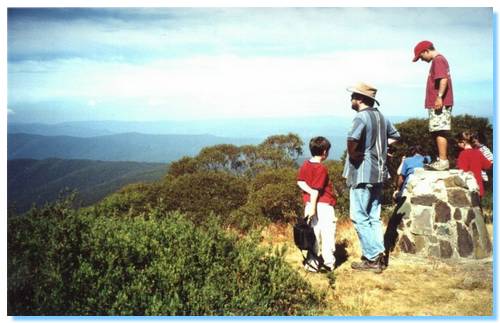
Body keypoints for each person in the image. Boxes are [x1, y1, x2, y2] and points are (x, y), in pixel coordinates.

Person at [342, 82, 400, 273]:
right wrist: (383, 148)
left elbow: (352, 141)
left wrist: (357, 156)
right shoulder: (381, 117)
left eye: (353, 97)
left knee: (358, 216)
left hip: (363, 173)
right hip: (379, 173)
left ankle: (373, 257)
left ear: (359, 99)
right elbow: (395, 136)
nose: (350, 100)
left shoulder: (360, 117)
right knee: (373, 216)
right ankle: (378, 255)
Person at [297, 136, 337, 273]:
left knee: (312, 234)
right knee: (327, 234)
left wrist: (310, 206)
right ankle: (328, 263)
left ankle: (311, 263)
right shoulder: (321, 168)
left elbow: (300, 182)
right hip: (323, 205)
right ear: (325, 152)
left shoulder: (305, 164)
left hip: (309, 204)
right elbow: (316, 191)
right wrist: (314, 207)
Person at [413, 40, 454, 171]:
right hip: (437, 103)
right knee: (437, 130)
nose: (421, 60)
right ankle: (441, 159)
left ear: (426, 51)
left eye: (421, 56)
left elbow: (443, 79)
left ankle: (443, 161)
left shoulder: (438, 60)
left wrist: (439, 97)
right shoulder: (438, 60)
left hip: (439, 103)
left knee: (439, 130)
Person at [456, 131, 492, 199]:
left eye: (459, 142)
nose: (458, 144)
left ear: (463, 142)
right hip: (480, 185)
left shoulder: (462, 154)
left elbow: (462, 171)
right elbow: (488, 165)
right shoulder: (478, 152)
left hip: (470, 186)